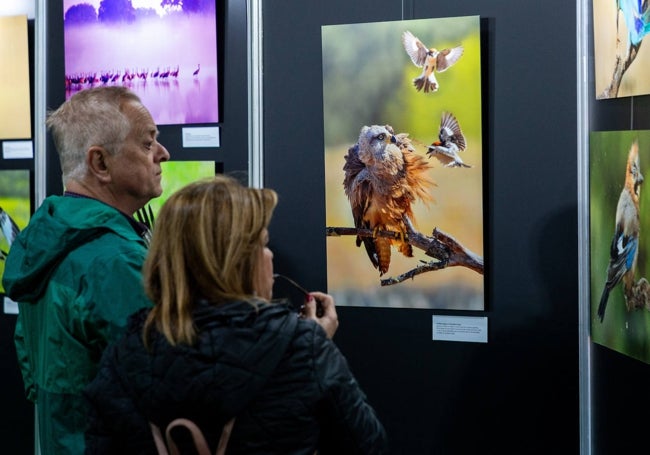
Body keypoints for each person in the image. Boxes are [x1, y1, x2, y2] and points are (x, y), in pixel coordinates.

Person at [84, 175, 389, 454]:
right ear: (237, 262)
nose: (270, 256)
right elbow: (367, 447)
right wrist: (313, 347)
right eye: (263, 245)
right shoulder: (302, 348)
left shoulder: (126, 352)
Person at [2, 86, 170, 455]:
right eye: (147, 143)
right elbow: (168, 382)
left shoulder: (46, 244)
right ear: (100, 164)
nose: (163, 154)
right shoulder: (111, 261)